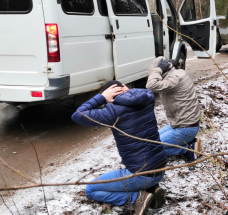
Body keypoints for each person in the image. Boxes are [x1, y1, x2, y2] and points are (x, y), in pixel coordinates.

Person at [71, 80, 167, 215]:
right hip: (161, 168)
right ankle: (151, 189)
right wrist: (129, 92)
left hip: (141, 175)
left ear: (110, 97)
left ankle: (138, 198)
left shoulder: (113, 111)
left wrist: (102, 97)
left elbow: (77, 115)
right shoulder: (147, 100)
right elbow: (145, 93)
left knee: (91, 190)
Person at [146, 57, 201, 160]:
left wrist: (157, 70)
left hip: (185, 128)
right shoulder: (178, 73)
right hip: (180, 125)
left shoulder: (174, 78)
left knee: (150, 149)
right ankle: (185, 142)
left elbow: (151, 85)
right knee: (150, 141)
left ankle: (188, 149)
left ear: (162, 70)